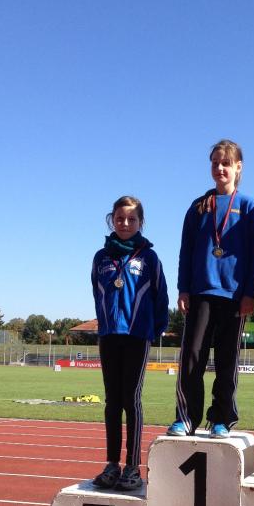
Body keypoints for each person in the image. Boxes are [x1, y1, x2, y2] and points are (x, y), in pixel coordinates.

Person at [167, 139, 254, 438]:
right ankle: (186, 418)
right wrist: (183, 288)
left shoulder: (249, 207)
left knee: (227, 361)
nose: (220, 168)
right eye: (215, 163)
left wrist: (249, 293)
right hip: (200, 293)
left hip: (234, 296)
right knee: (192, 358)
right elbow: (186, 251)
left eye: (226, 163)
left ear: (238, 167)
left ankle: (221, 418)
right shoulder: (198, 207)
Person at [91, 196, 169, 489]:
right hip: (109, 335)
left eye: (131, 219)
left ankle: (132, 467)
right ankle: (112, 464)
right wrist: (105, 323)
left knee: (131, 400)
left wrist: (154, 329)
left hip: (137, 335)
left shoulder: (149, 258)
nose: (125, 224)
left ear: (140, 222)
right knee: (112, 401)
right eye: (120, 218)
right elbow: (97, 293)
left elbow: (161, 296)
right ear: (111, 220)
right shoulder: (101, 258)